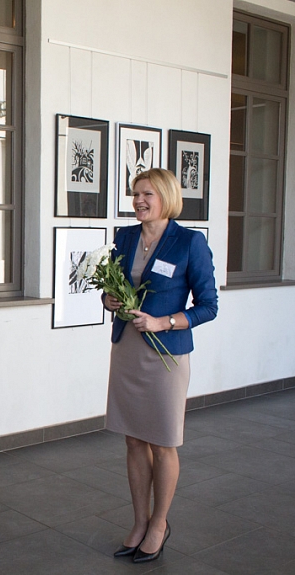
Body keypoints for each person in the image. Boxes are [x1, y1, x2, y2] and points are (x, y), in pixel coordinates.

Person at [103, 168, 218, 563]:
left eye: (147, 194)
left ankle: (159, 523)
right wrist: (109, 300)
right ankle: (139, 521)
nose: (138, 201)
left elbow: (208, 307)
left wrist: (162, 321)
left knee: (163, 442)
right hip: (129, 351)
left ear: (166, 197)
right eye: (135, 194)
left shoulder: (189, 243)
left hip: (166, 356)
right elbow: (111, 286)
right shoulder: (126, 237)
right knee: (133, 439)